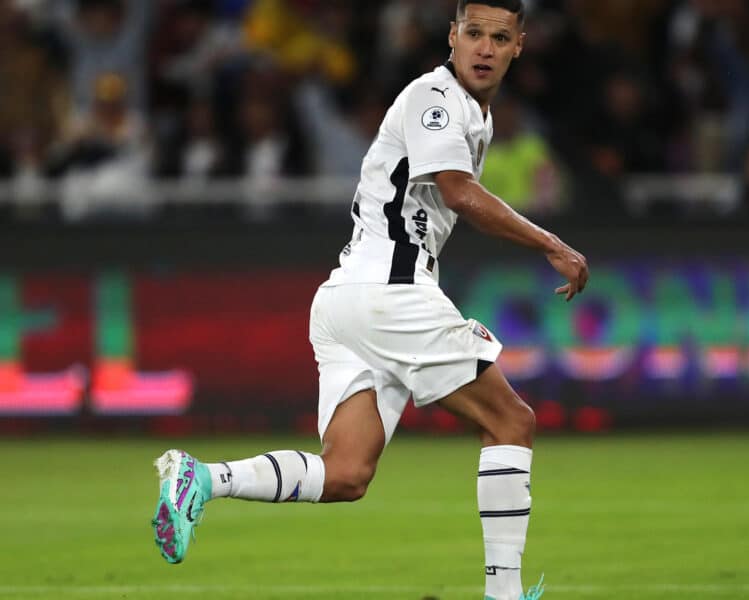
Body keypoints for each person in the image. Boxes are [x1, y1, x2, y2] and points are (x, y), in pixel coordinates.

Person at [150, 2, 588, 599]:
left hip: (347, 298)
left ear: (519, 46)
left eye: (500, 37)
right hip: (390, 291)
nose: (485, 48)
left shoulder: (473, 114)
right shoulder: (434, 99)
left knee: (347, 473)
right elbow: (457, 192)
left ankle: (200, 479)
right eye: (475, 34)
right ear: (453, 37)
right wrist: (551, 243)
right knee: (511, 421)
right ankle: (504, 596)